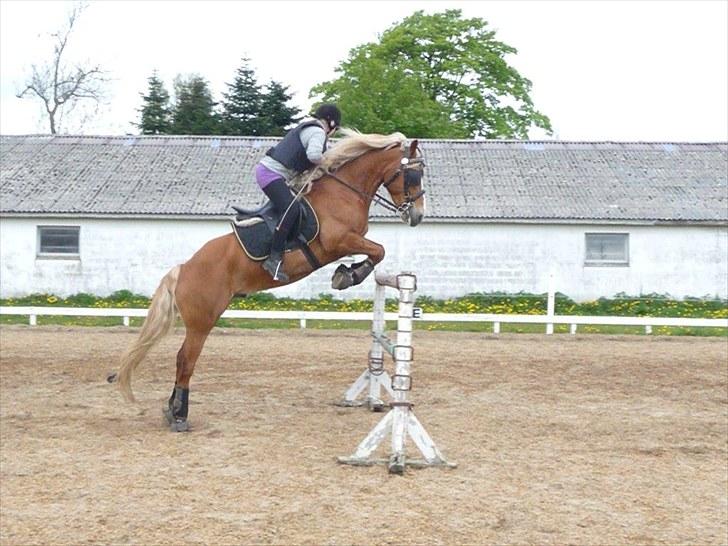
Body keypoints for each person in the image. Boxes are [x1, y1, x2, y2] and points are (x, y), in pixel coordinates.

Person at [255, 103, 341, 282]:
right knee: (292, 209)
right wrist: (328, 162)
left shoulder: (310, 128)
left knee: (295, 207)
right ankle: (274, 258)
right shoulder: (318, 132)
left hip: (272, 174)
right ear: (331, 124)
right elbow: (314, 156)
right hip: (270, 174)